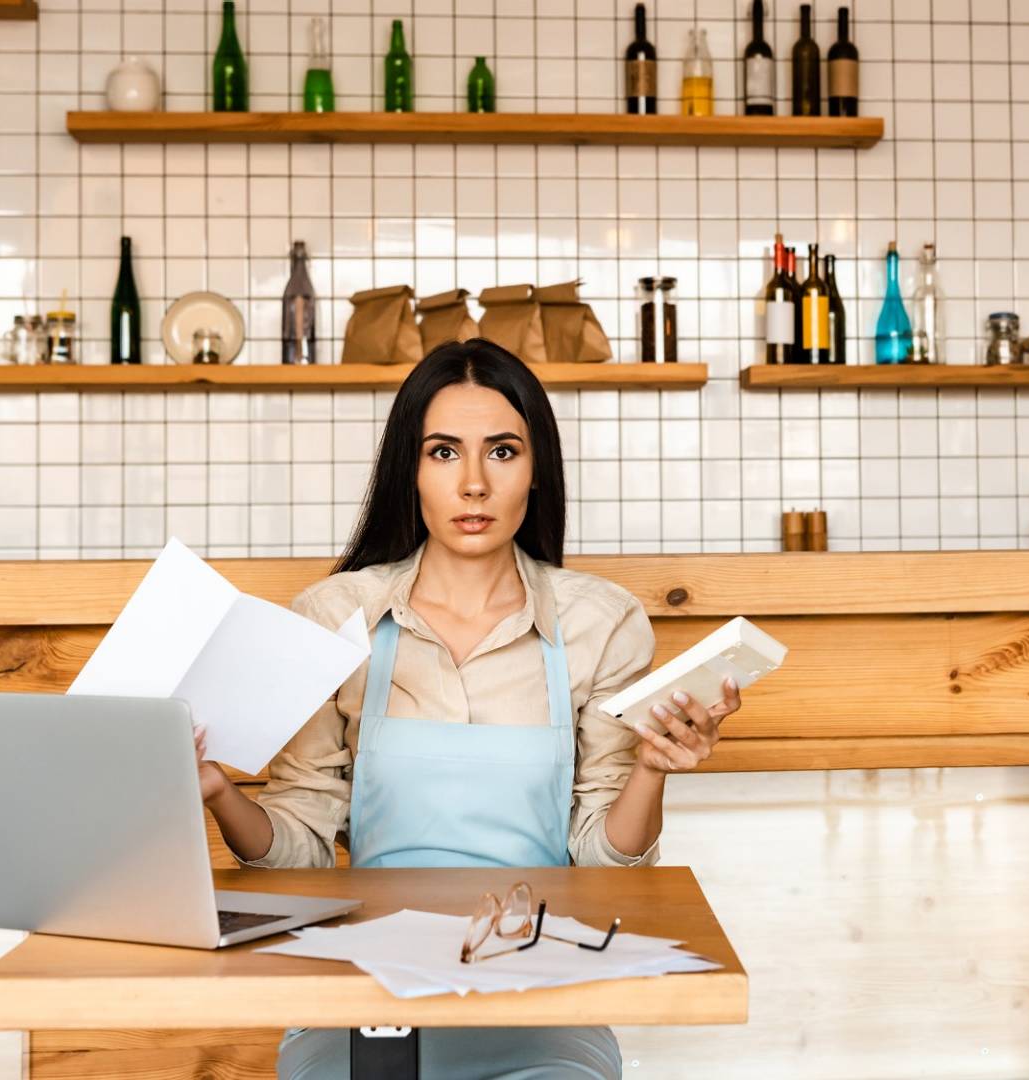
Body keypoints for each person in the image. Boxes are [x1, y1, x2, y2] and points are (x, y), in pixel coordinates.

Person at [196, 338, 743, 1079]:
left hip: (544, 995)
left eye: (504, 452)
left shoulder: (600, 622)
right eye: (445, 453)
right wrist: (220, 791)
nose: (475, 484)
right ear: (410, 472)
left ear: (537, 471)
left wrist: (651, 770)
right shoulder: (336, 616)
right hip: (365, 988)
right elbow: (301, 852)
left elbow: (604, 859)